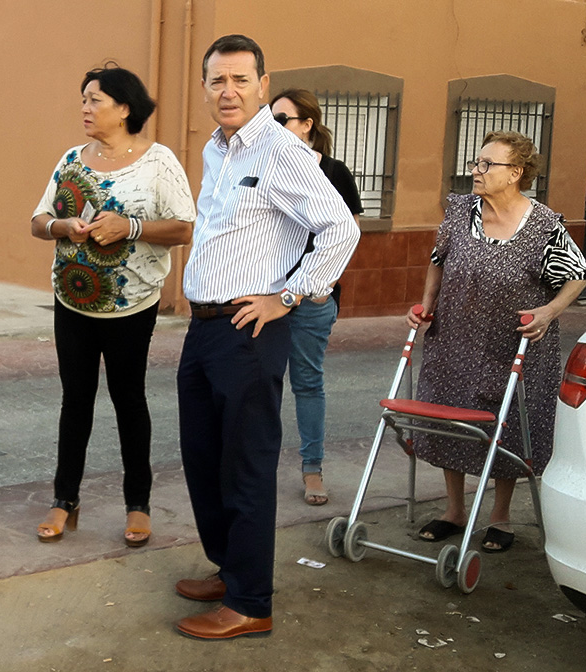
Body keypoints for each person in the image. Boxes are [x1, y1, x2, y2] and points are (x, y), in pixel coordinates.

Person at [173, 34, 359, 641]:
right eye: (216, 81)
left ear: (261, 83)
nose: (227, 92)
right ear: (205, 88)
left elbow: (340, 230)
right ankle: (231, 570)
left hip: (249, 330)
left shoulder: (282, 150)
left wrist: (288, 295)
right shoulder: (216, 150)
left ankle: (252, 603)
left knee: (247, 464)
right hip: (203, 328)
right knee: (204, 457)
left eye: (239, 80)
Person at [29, 65, 194, 547]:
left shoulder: (158, 162)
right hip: (72, 301)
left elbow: (184, 227)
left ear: (124, 108)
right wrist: (62, 228)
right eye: (83, 98)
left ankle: (138, 505)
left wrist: (131, 227)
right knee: (74, 401)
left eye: (95, 99)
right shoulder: (71, 159)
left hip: (132, 305)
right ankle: (65, 501)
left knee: (128, 401)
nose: (85, 107)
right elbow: (38, 220)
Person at [409, 130, 586, 553]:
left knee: (504, 425)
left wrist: (548, 312)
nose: (476, 170)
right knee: (450, 417)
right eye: (476, 162)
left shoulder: (544, 225)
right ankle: (454, 511)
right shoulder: (459, 212)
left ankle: (500, 516)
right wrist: (426, 304)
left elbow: (578, 275)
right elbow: (438, 261)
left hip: (515, 343)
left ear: (516, 174)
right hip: (453, 337)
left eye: (487, 164)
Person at [269, 88, 365, 506]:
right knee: (262, 386)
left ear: (306, 124)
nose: (273, 128)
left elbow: (348, 235)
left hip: (310, 301)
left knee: (307, 384)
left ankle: (312, 470)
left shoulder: (335, 172)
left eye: (281, 120)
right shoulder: (268, 168)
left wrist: (318, 285)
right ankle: (258, 467)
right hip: (266, 296)